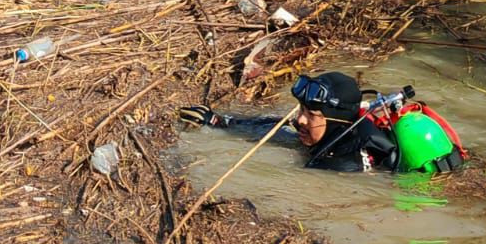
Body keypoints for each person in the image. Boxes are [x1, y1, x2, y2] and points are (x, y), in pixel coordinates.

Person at [179, 71, 464, 174]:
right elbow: (275, 129)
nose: (298, 119)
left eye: (310, 114)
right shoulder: (334, 131)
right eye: (301, 108)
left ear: (336, 121)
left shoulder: (345, 161)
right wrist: (220, 121)